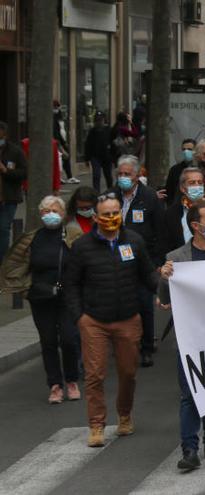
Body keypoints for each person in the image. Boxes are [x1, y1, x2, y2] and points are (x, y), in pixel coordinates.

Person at [65, 191, 159, 447]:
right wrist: (79, 317)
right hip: (93, 320)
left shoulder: (134, 242)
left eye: (115, 212)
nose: (111, 218)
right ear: (95, 217)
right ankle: (96, 425)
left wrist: (165, 290)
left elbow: (149, 275)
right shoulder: (82, 247)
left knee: (128, 372)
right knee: (94, 374)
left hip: (128, 319)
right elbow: (70, 285)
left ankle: (125, 414)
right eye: (106, 214)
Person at [158, 200, 205, 470]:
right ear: (195, 226)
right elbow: (165, 299)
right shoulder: (177, 257)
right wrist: (164, 278)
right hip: (190, 337)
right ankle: (189, 449)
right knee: (189, 394)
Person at [0, 196, 81, 404]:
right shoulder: (32, 238)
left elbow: (84, 262)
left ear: (63, 214)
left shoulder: (72, 235)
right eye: (45, 211)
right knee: (48, 341)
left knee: (69, 339)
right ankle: (55, 385)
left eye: (54, 210)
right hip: (40, 297)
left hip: (67, 297)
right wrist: (22, 285)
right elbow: (16, 264)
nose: (50, 214)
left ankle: (71, 379)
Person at [113, 155, 165, 367]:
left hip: (144, 261)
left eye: (128, 174)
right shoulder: (110, 196)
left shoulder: (149, 197)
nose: (124, 178)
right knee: (120, 305)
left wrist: (158, 261)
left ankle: (146, 347)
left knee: (144, 304)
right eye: (121, 174)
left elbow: (161, 231)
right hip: (116, 262)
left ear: (137, 175)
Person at [0, 120, 28, 263]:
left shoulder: (15, 152)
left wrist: (6, 171)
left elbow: (24, 173)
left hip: (8, 198)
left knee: (4, 229)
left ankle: (3, 260)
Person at [161, 167, 205, 256]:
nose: (197, 186)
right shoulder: (171, 214)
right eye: (192, 183)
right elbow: (165, 245)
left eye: (200, 183)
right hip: (181, 263)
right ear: (182, 188)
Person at [84, 112, 114, 191]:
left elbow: (113, 143)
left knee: (108, 175)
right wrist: (87, 158)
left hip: (107, 157)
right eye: (97, 120)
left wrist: (113, 156)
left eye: (101, 120)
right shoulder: (92, 132)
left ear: (104, 120)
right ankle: (96, 192)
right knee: (96, 175)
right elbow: (88, 145)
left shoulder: (109, 130)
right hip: (95, 157)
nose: (99, 122)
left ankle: (110, 190)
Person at [163, 139, 197, 205]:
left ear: (196, 151)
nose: (186, 152)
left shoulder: (201, 169)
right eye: (184, 149)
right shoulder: (174, 170)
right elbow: (169, 192)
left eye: (189, 149)